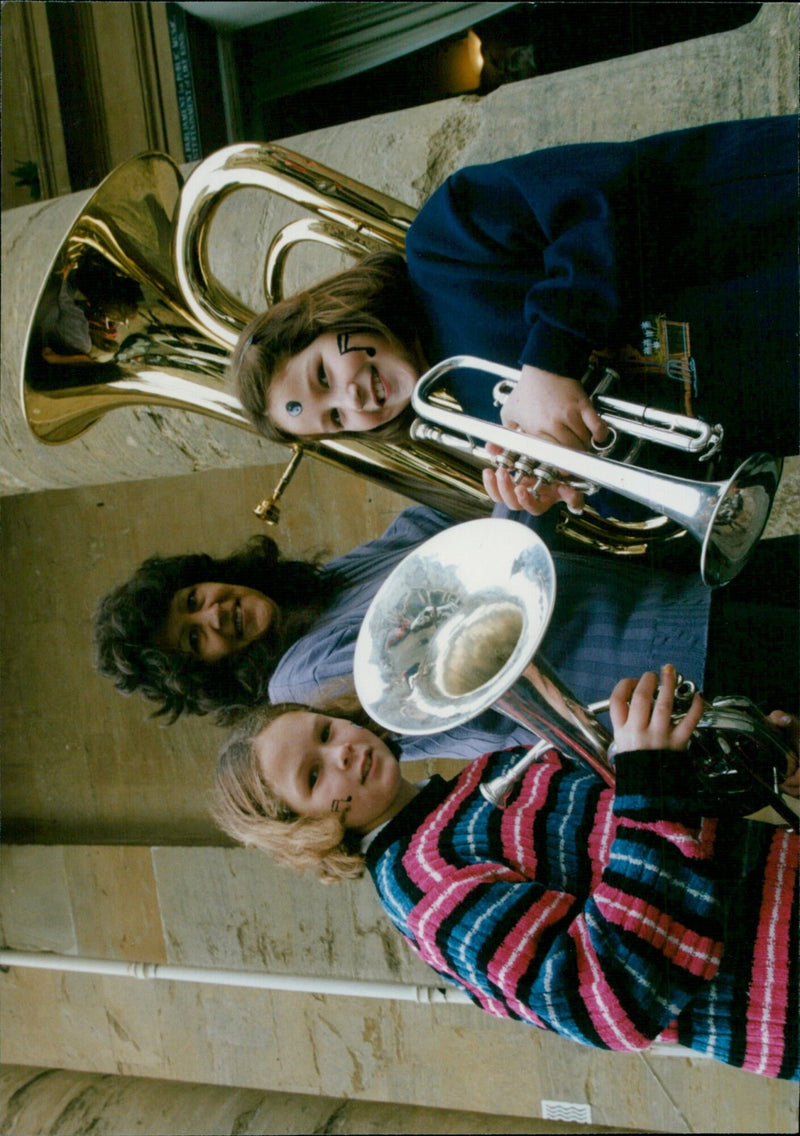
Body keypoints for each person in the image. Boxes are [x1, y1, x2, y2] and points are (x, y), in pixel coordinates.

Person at [212, 667, 799, 1080]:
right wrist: (650, 780)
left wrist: (753, 760)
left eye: (324, 730)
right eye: (313, 777)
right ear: (302, 830)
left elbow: (661, 824)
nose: (339, 751)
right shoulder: (422, 886)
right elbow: (607, 1005)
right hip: (782, 980)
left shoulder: (482, 774)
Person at [231, 115, 798, 518]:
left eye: (324, 376)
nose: (350, 402)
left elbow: (595, 193)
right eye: (333, 420)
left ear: (329, 318)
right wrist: (585, 479)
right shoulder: (487, 415)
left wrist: (551, 358)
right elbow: (705, 468)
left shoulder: (442, 244)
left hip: (769, 237)